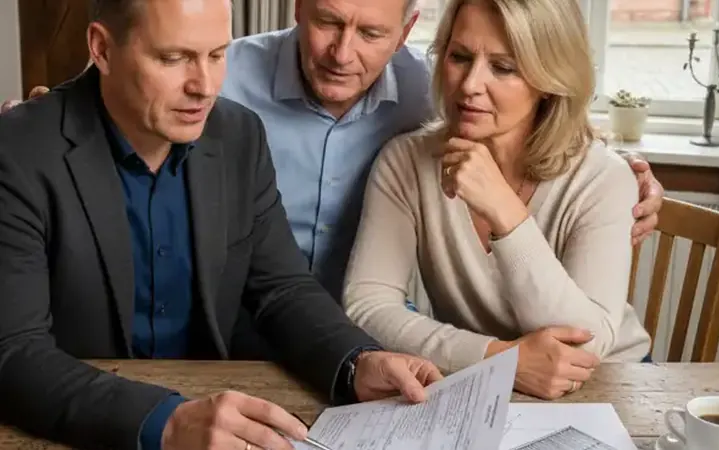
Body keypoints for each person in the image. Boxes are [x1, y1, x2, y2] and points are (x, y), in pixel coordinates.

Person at [0, 1, 442, 450]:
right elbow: (12, 350)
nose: (206, 87)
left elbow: (282, 288)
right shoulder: (16, 150)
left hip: (218, 410)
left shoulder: (239, 134)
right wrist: (167, 422)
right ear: (102, 49)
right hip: (75, 426)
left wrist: (356, 361)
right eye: (174, 58)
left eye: (216, 55)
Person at [218, 0, 664, 304]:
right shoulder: (222, 77)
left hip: (356, 337)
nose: (342, 53)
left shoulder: (431, 90)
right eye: (328, 22)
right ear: (298, 7)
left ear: (404, 32)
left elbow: (536, 114)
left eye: (371, 32)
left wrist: (626, 178)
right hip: (238, 321)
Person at [341, 0, 652, 402]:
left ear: (549, 78)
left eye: (503, 67)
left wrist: (506, 213)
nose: (470, 84)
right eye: (459, 57)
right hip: (477, 383)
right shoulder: (405, 161)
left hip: (610, 384)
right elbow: (367, 306)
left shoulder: (604, 177)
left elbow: (586, 346)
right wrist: (498, 359)